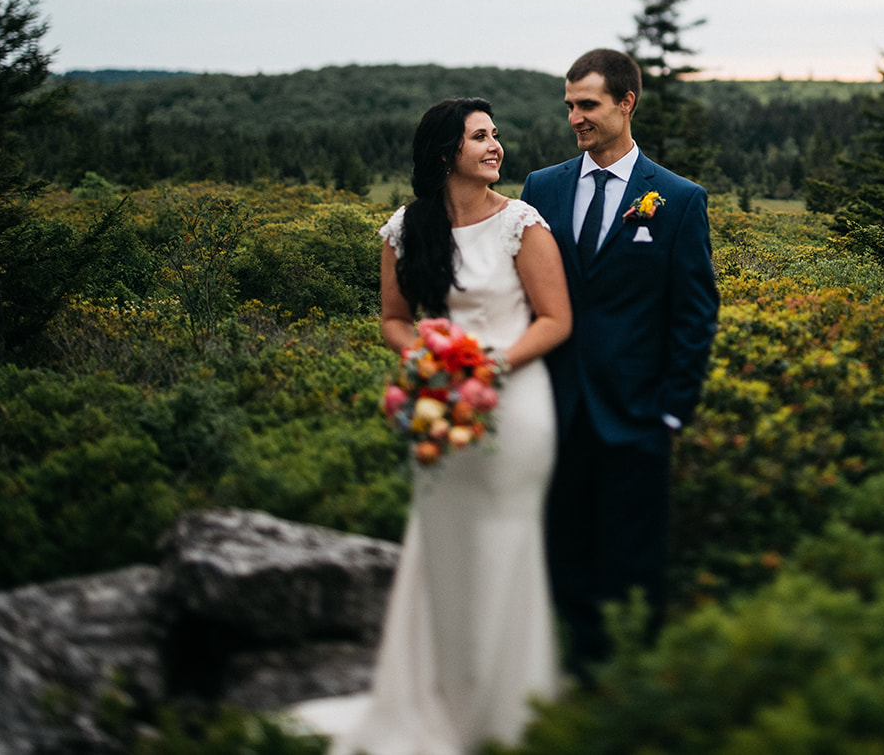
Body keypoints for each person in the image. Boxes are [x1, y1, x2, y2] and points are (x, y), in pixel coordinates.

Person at [294, 97, 572, 755]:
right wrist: (427, 355)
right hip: (442, 403)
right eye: (481, 136)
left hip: (517, 405)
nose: (495, 145)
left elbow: (556, 319)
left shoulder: (523, 225)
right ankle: (435, 701)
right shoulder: (405, 228)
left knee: (505, 546)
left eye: (496, 135)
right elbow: (393, 318)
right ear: (446, 151)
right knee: (442, 548)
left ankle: (505, 711)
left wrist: (491, 361)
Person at [520, 49, 719, 677]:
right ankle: (571, 683)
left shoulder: (678, 199)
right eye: (570, 105)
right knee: (564, 552)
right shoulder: (541, 188)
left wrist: (671, 411)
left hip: (637, 416)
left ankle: (632, 690)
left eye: (588, 104)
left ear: (626, 103)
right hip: (556, 409)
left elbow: (694, 314)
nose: (575, 117)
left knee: (634, 564)